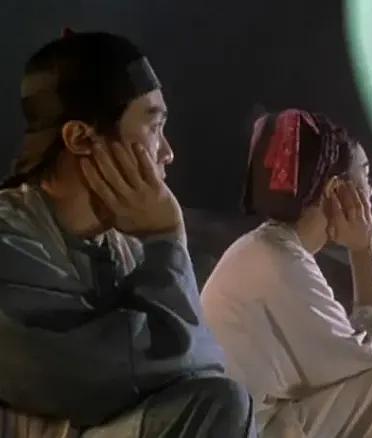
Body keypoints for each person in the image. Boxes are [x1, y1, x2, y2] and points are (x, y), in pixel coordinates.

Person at [0, 31, 256, 437]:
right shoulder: (10, 237)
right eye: (153, 126)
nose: (167, 152)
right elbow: (97, 377)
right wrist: (167, 237)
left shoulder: (123, 246)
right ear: (81, 138)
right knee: (217, 406)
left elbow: (200, 363)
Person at [201, 109, 372, 437]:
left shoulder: (270, 247)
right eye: (364, 176)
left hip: (249, 422)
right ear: (336, 190)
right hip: (244, 430)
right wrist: (363, 252)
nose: (369, 192)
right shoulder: (279, 264)